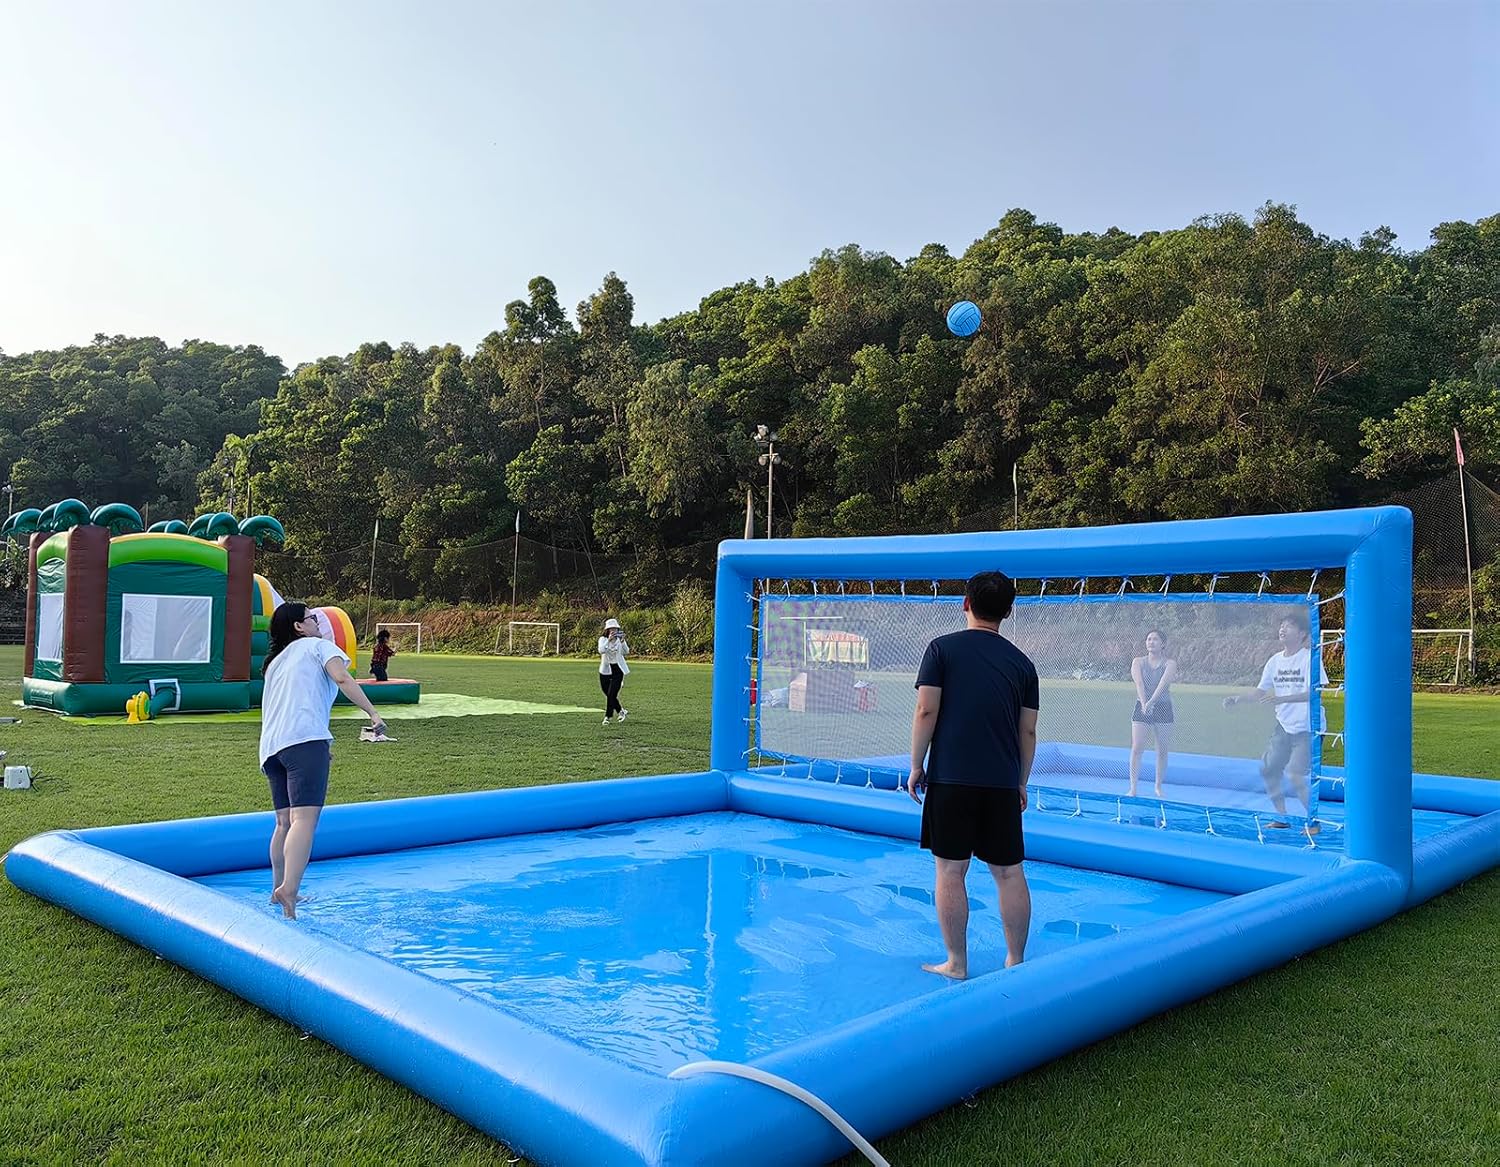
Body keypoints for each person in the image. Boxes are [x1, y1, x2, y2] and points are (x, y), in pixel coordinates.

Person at [906, 570, 1039, 978]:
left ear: (965, 603)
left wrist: (916, 764)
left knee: (950, 871)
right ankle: (1015, 961)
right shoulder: (1023, 665)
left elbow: (926, 710)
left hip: (951, 779)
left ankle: (957, 962)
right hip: (1000, 782)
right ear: (1009, 611)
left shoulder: (941, 650)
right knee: (1009, 872)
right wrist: (1021, 781)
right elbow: (1028, 731)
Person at [259, 601, 386, 918]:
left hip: (273, 747)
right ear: (299, 627)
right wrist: (372, 713)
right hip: (303, 740)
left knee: (283, 822)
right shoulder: (319, 646)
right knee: (304, 821)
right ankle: (289, 890)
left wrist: (316, 743)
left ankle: (277, 889)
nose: (317, 622)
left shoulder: (275, 662)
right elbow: (342, 678)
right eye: (312, 618)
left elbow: (285, 705)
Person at [1222, 609, 1320, 830]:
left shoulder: (1309, 658)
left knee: (1295, 774)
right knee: (1268, 770)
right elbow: (1260, 692)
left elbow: (1314, 693)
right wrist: (1238, 699)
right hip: (1284, 726)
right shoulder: (1274, 661)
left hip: (1308, 727)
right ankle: (1281, 818)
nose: (1282, 629)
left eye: (1289, 626)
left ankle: (1313, 822)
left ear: (1302, 634)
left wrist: (1281, 698)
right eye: (1281, 625)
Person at [1129, 629, 1177, 798]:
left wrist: (1151, 703)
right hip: (1142, 705)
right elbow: (1139, 683)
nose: (1151, 642)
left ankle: (1158, 786)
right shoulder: (1138, 662)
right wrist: (1144, 703)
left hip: (1163, 706)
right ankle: (1133, 788)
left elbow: (1162, 685)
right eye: (1149, 639)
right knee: (1137, 747)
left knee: (1162, 750)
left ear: (1163, 644)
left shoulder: (1169, 664)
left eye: (1155, 639)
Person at [597, 617, 630, 724]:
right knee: (607, 692)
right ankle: (621, 711)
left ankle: (607, 717)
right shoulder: (603, 639)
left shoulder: (619, 640)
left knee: (612, 694)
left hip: (617, 669)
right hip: (605, 669)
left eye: (615, 629)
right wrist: (609, 640)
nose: (613, 631)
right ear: (607, 630)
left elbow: (626, 652)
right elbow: (601, 650)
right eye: (611, 629)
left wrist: (623, 641)